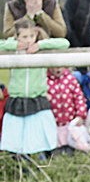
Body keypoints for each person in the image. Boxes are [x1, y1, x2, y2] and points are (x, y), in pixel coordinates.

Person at [0, 18, 69, 158]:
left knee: (38, 139)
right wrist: (14, 45)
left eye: (31, 36)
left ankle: (42, 166)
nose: (28, 40)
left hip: (36, 99)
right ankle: (19, 169)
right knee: (17, 141)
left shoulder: (40, 49)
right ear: (17, 37)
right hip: (17, 100)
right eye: (24, 37)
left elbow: (64, 43)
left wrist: (41, 45)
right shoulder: (14, 50)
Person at [46, 66, 90, 155]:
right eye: (53, 67)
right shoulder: (45, 82)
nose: (57, 69)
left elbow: (79, 97)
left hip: (70, 122)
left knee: (74, 145)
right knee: (56, 148)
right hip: (54, 123)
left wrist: (81, 115)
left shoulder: (70, 79)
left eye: (60, 67)